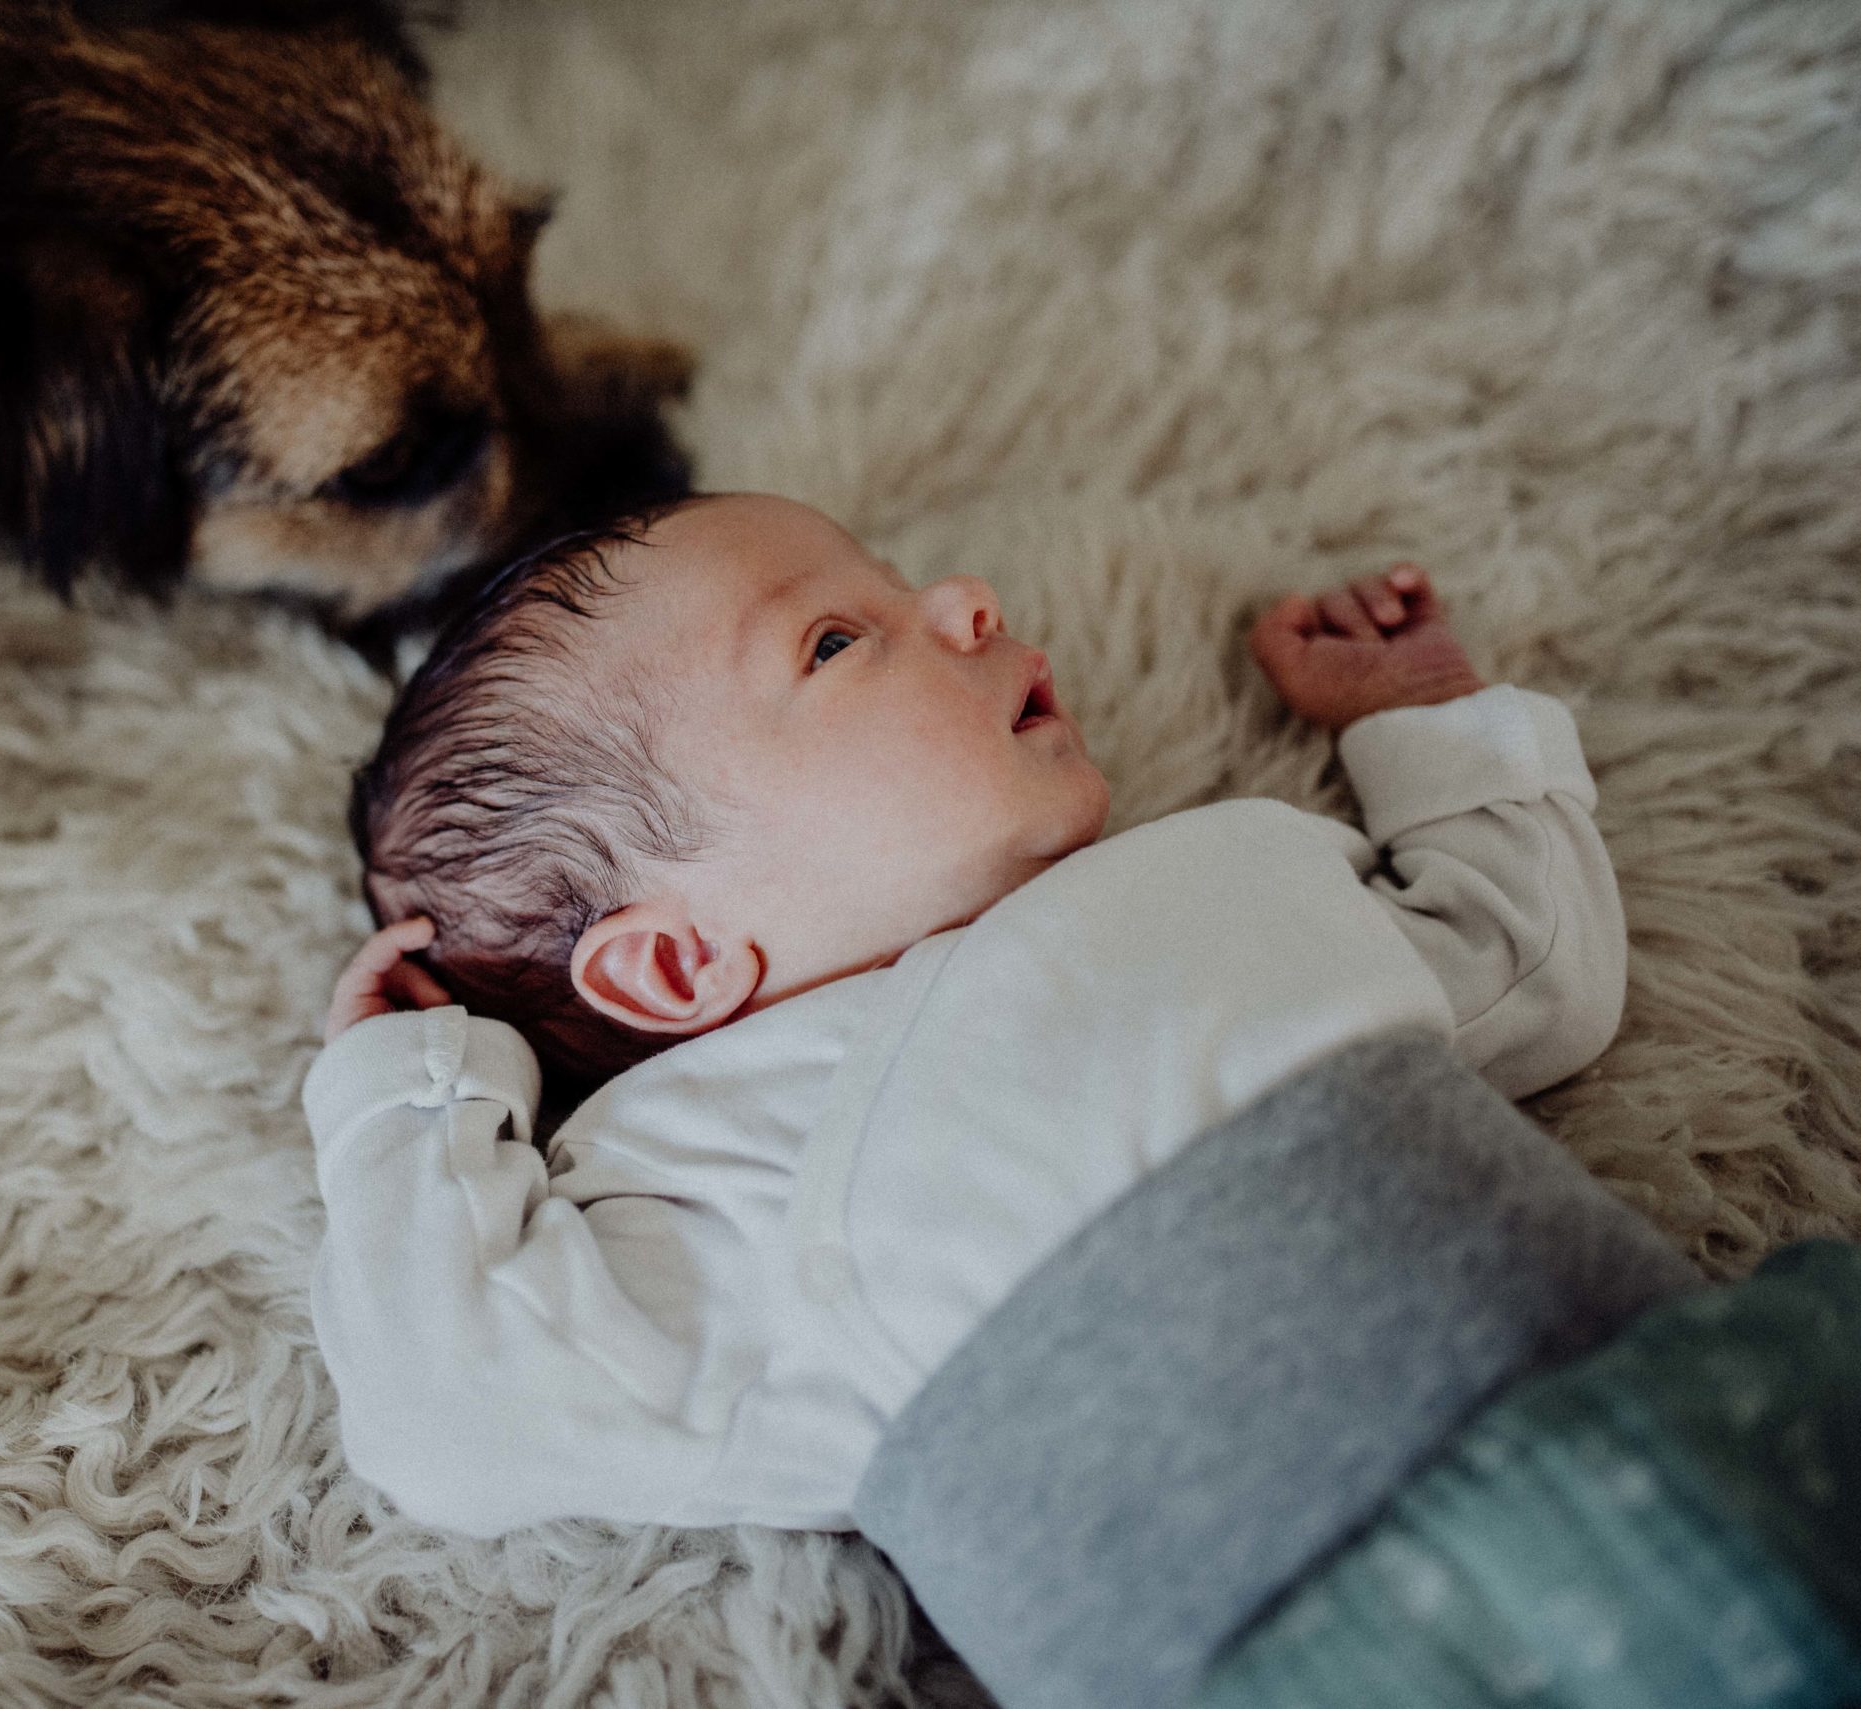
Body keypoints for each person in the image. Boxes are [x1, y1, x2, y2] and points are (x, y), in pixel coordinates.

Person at [304, 494, 1861, 1708]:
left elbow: (1532, 971)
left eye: (900, 584)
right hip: (1346, 1649)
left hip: (1706, 1424)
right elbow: (456, 1411)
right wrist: (408, 1098)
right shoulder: (708, 1159)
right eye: (835, 643)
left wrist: (1427, 719)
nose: (963, 599)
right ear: (676, 964)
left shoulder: (1234, 866)